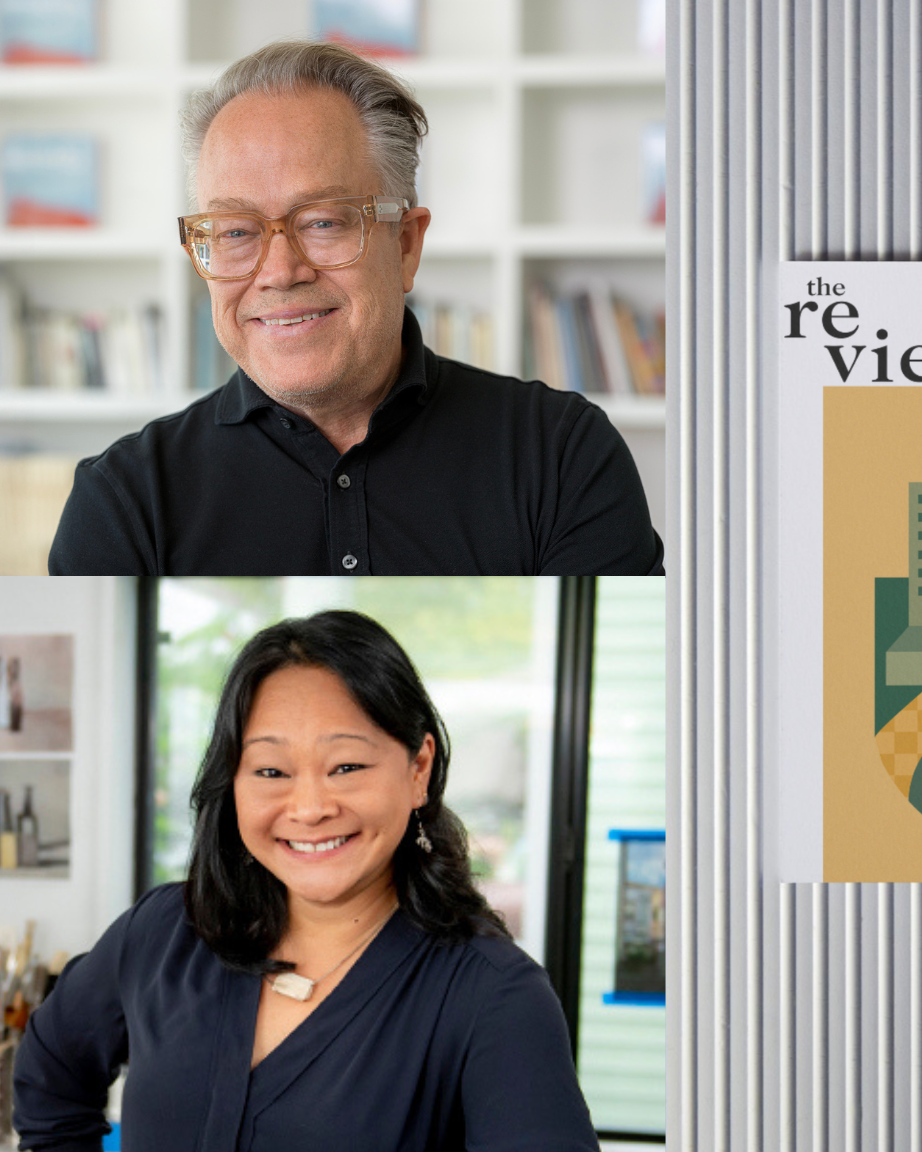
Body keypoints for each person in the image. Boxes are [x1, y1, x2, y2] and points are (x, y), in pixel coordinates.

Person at [46, 40, 662, 576]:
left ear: (406, 244)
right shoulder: (124, 502)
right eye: (234, 231)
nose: (280, 272)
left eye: (323, 222)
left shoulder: (562, 456)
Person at [11, 611, 601, 1151]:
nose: (310, 808)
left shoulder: (494, 996)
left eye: (346, 766)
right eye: (271, 771)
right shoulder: (165, 932)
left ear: (418, 769)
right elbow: (48, 1077)